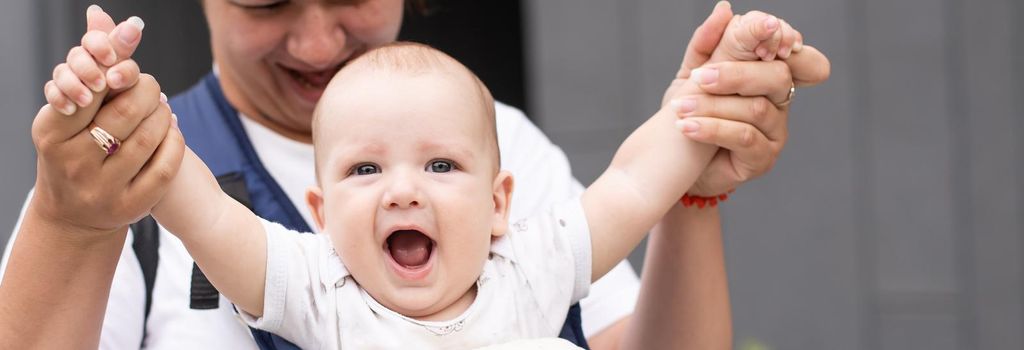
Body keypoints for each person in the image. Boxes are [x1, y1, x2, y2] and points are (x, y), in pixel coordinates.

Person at [0, 1, 830, 349]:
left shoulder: (527, 265)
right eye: (365, 169)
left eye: (441, 165)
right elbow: (190, 199)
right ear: (318, 214)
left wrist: (703, 106)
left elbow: (632, 185)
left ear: (499, 201)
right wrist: (120, 108)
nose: (318, 42)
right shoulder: (317, 286)